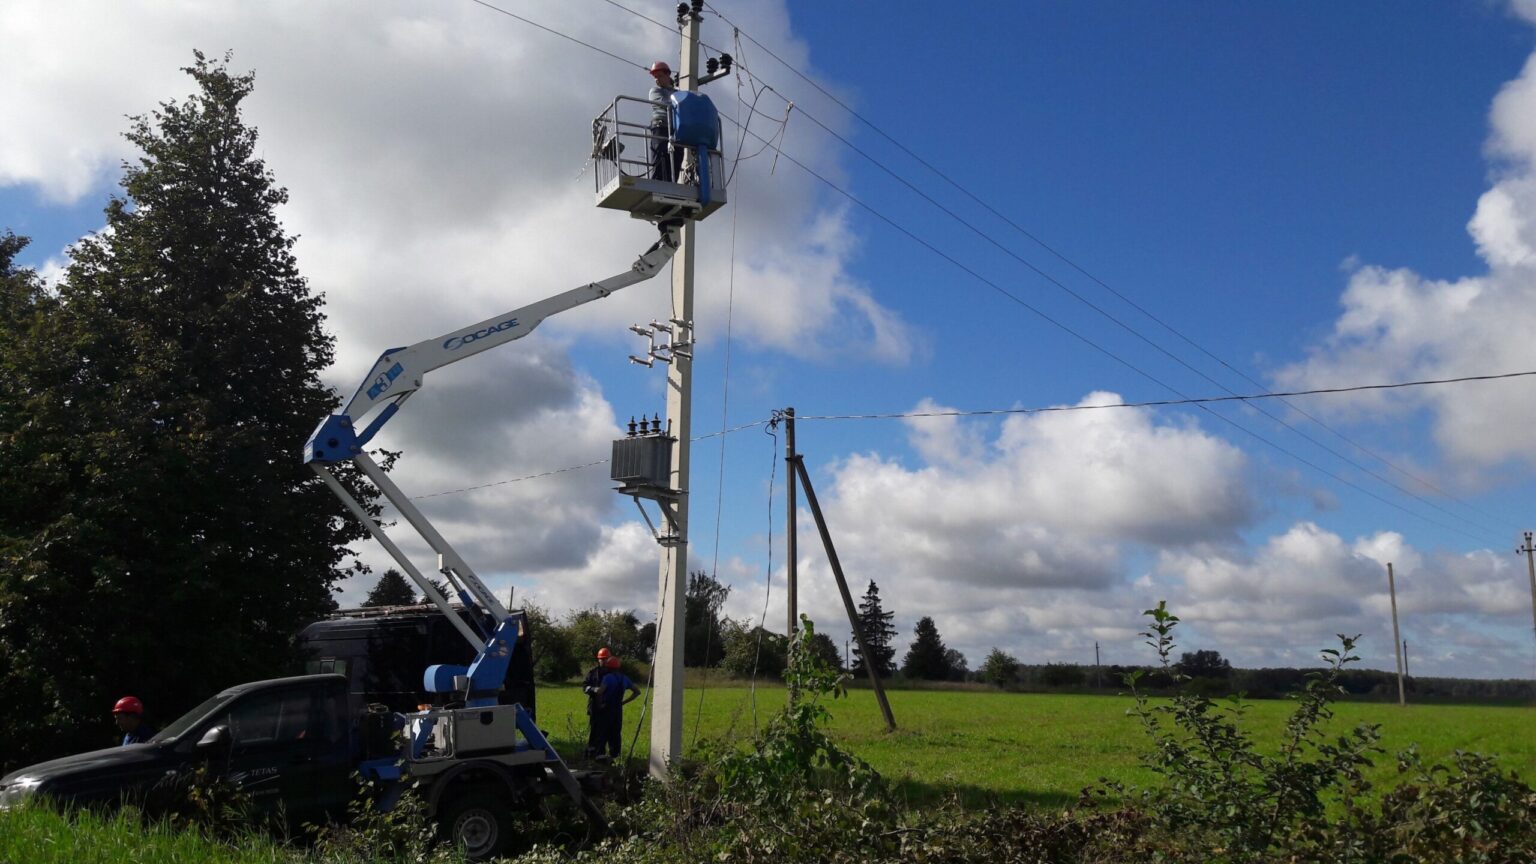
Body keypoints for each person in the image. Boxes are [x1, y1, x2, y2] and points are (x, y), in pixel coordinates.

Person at [591, 655, 641, 763]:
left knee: (602, 732)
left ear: (608, 668)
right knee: (615, 732)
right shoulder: (624, 678)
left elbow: (600, 692)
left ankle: (600, 756)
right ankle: (615, 756)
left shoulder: (607, 678)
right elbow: (637, 692)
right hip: (618, 709)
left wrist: (600, 705)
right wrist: (623, 702)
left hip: (606, 709)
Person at [647, 61, 678, 182]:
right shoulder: (655, 91)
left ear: (667, 75)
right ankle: (657, 183)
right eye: (655, 77)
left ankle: (672, 183)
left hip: (675, 130)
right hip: (661, 128)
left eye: (659, 76)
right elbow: (665, 104)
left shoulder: (677, 93)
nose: (657, 80)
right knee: (660, 158)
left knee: (676, 159)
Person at [582, 647, 613, 758]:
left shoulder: (613, 674)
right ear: (598, 660)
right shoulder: (592, 673)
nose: (604, 661)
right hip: (595, 707)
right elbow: (584, 687)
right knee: (595, 730)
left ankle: (605, 754)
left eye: (606, 659)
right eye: (602, 659)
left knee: (608, 730)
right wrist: (593, 689)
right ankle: (592, 752)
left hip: (608, 707)